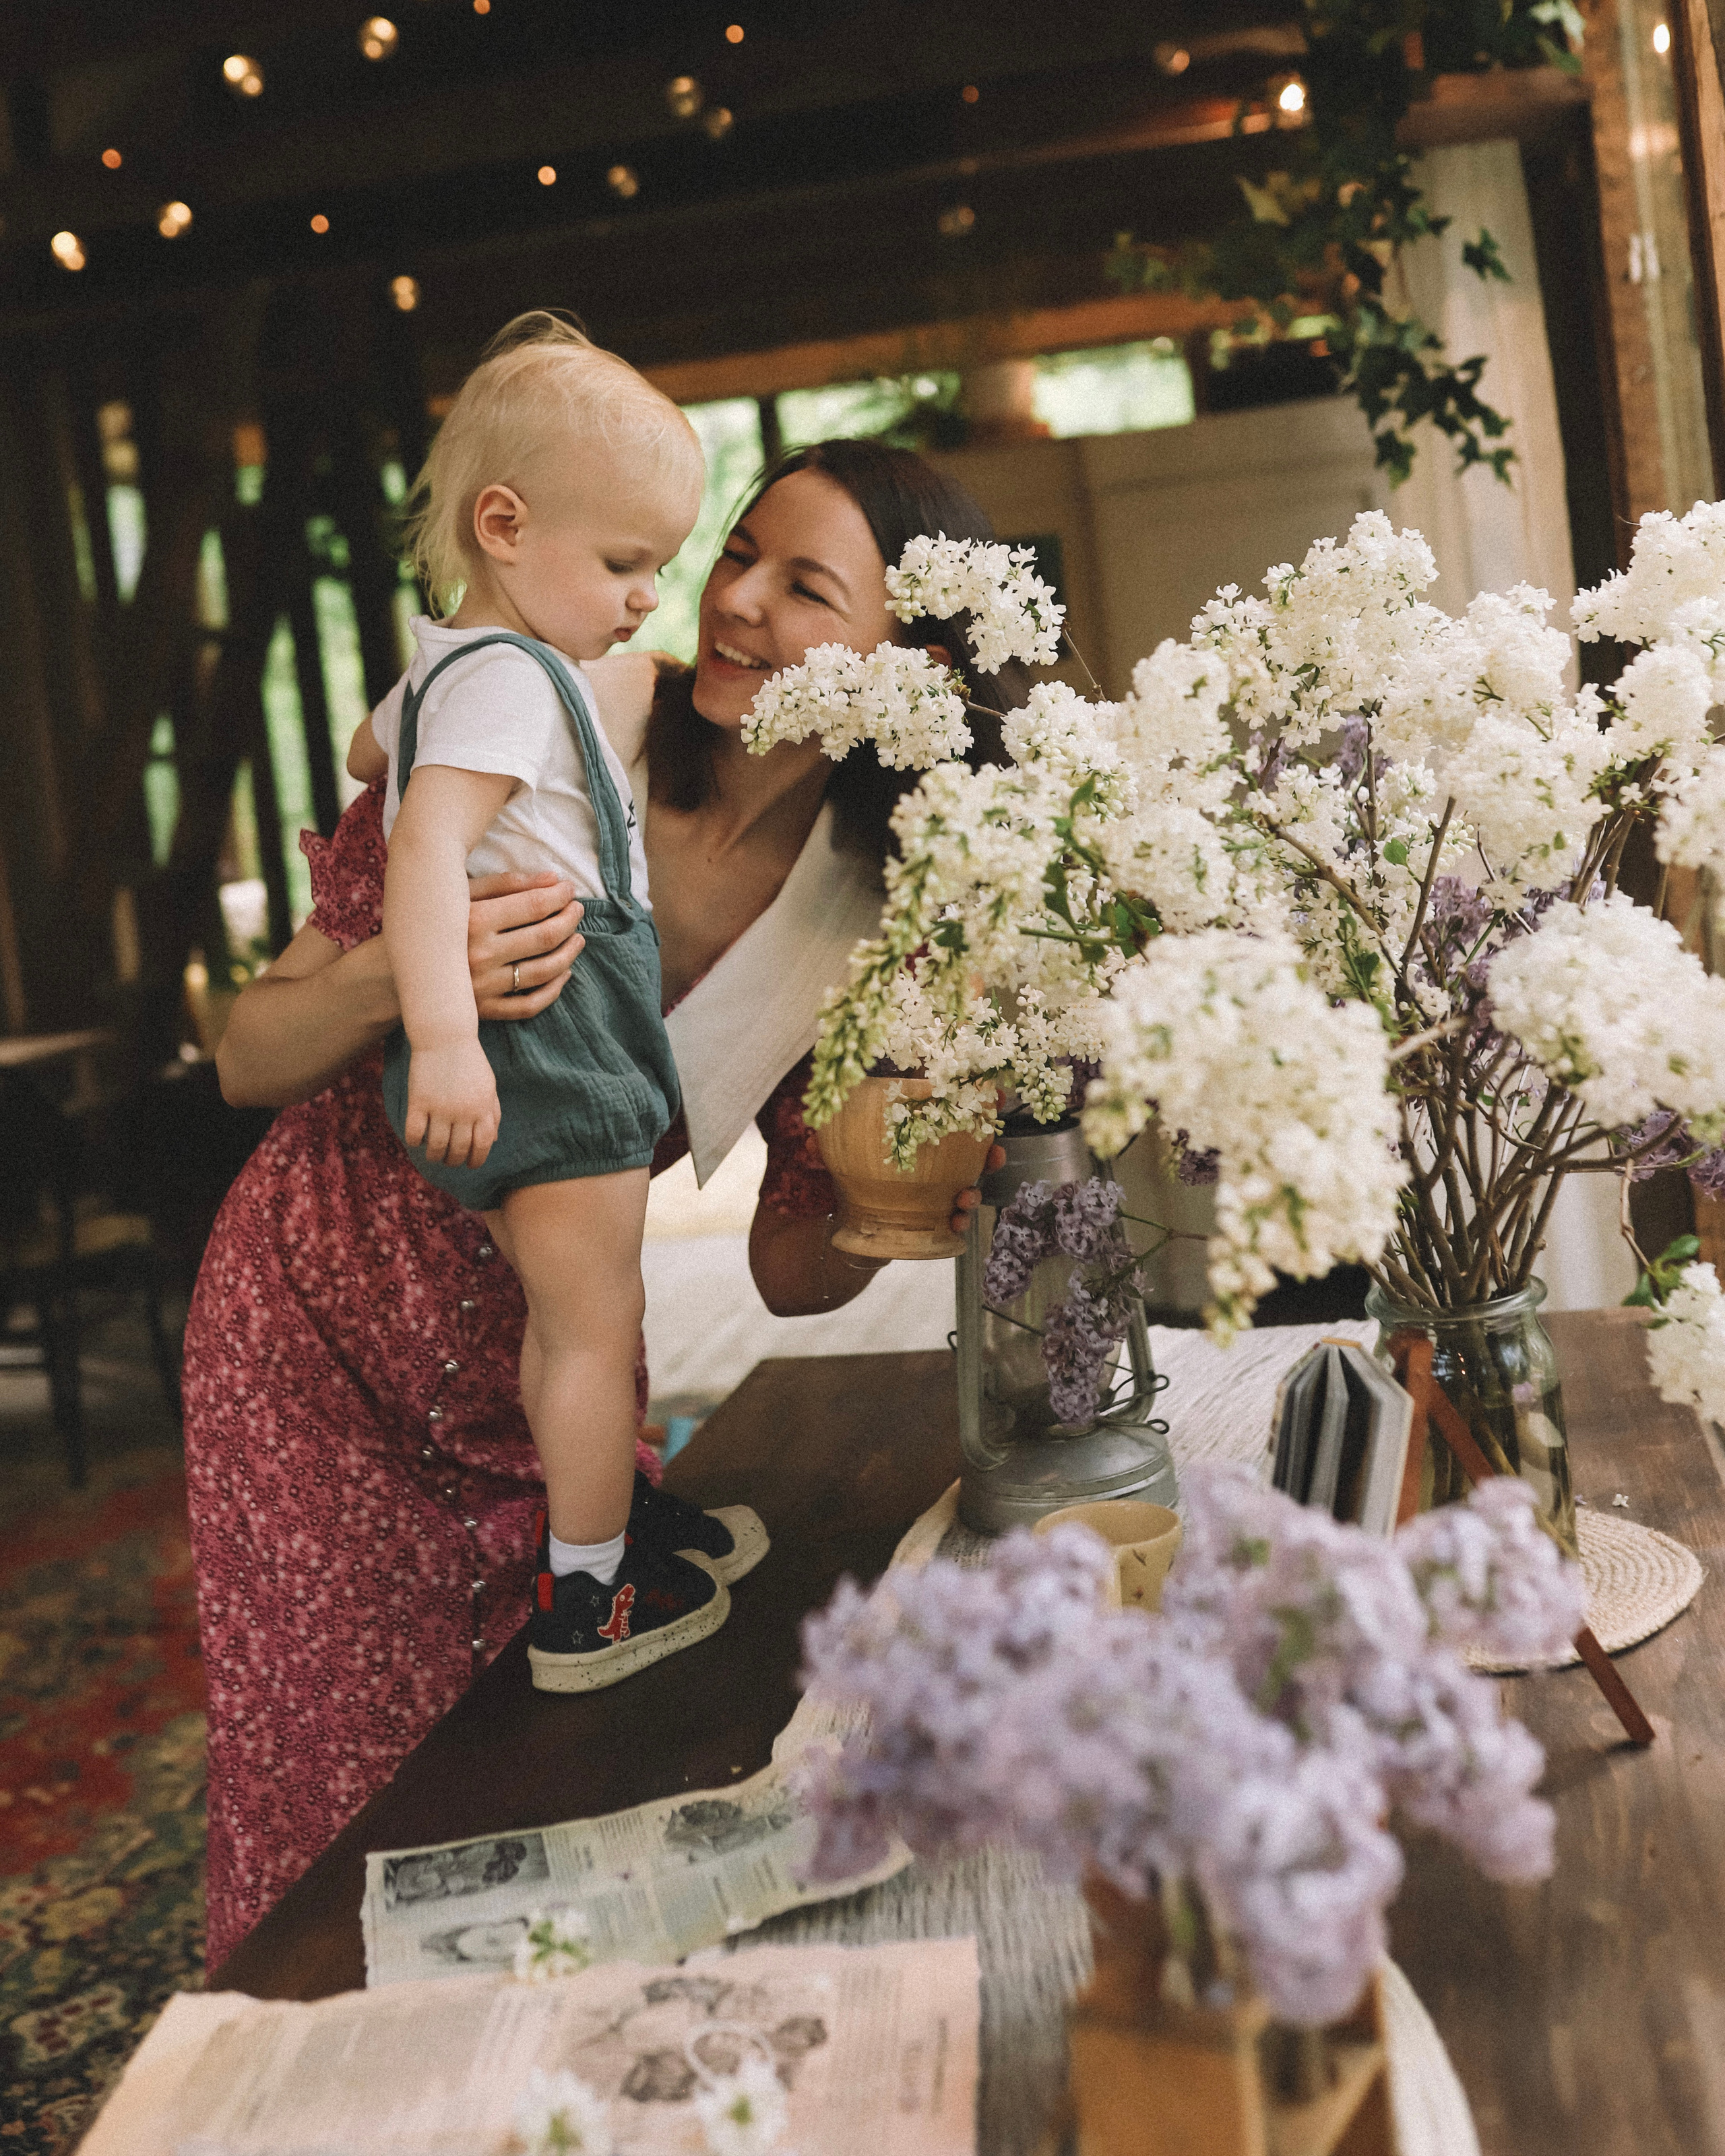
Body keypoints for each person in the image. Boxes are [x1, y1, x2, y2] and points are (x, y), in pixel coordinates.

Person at [185, 431, 1015, 1967]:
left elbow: (784, 1267)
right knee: (333, 1791)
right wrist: (400, 977)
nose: (736, 600)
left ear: (909, 661)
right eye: (739, 553)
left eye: (805, 584)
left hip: (552, 1383)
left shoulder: (873, 906)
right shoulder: (534, 728)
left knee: (547, 1775)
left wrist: (905, 1196)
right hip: (318, 1346)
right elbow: (246, 1053)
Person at [348, 313, 736, 1692]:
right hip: (543, 1045)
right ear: (502, 524)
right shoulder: (512, 685)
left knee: (565, 1320)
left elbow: (363, 749)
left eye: (661, 568)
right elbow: (422, 851)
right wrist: (446, 1038)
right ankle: (588, 1594)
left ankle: (602, 1519)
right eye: (626, 563)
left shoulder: (454, 667)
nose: (645, 598)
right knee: (592, 1328)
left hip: (531, 1039)